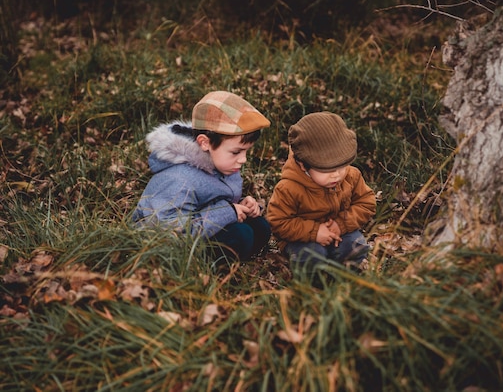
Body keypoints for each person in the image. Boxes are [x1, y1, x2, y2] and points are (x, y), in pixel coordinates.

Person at [132, 90, 271, 265]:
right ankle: (204, 267)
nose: (243, 159)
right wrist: (229, 211)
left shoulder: (222, 162)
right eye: (236, 152)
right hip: (169, 242)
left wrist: (242, 205)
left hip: (206, 224)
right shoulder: (178, 180)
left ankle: (240, 259)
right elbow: (170, 233)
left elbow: (214, 198)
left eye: (246, 151)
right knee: (240, 236)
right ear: (205, 142)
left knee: (261, 228)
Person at [266, 111, 376, 282]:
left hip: (339, 231)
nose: (337, 175)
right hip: (301, 239)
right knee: (313, 255)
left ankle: (344, 280)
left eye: (342, 167)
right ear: (303, 166)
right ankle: (313, 285)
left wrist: (341, 224)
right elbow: (278, 222)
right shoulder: (289, 187)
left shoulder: (351, 176)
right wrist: (315, 232)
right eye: (328, 170)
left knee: (356, 246)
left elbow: (366, 202)